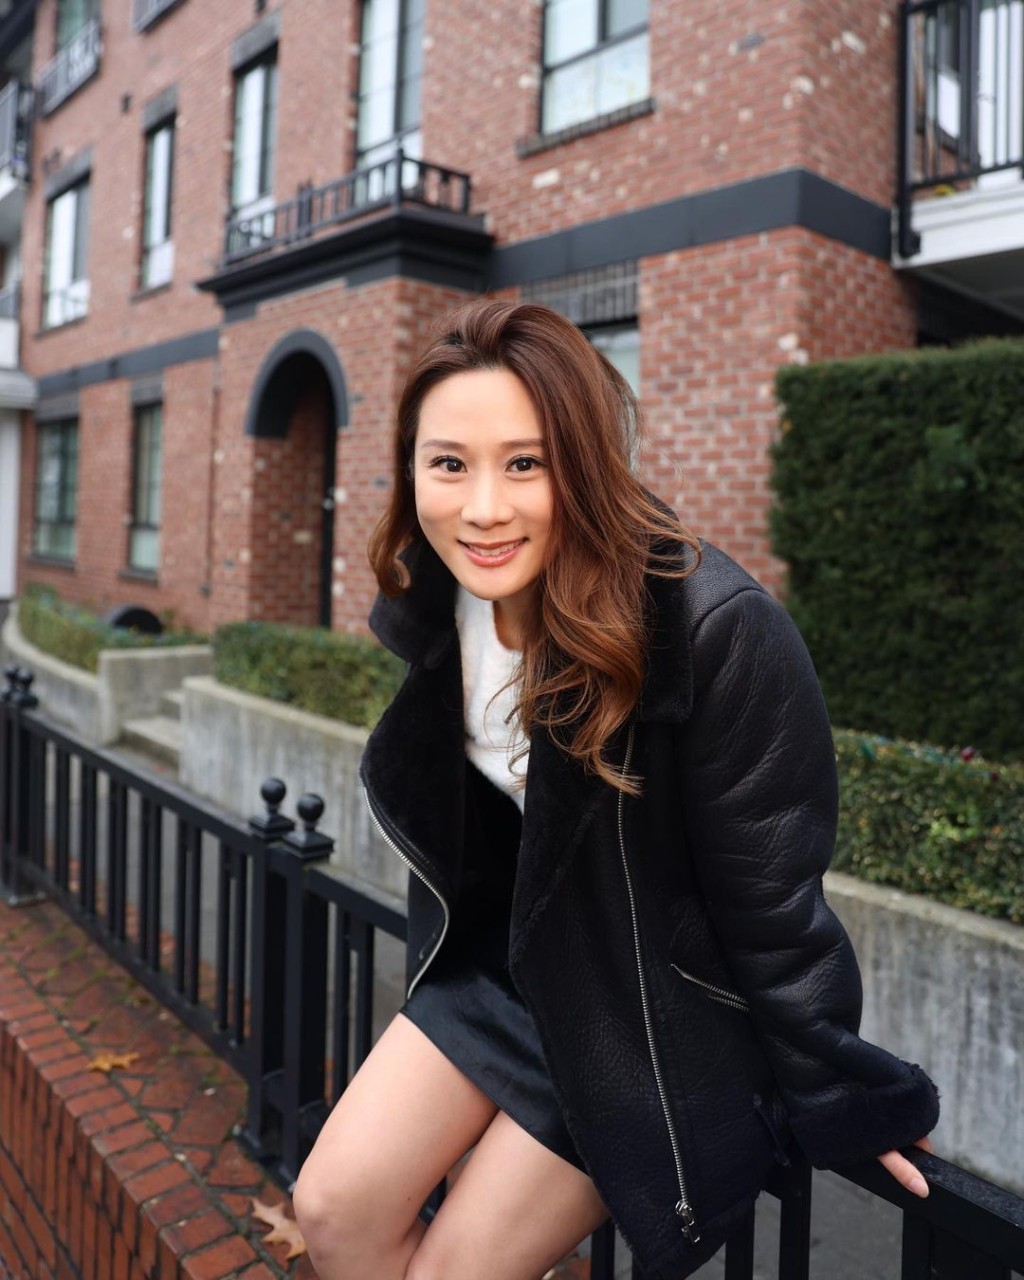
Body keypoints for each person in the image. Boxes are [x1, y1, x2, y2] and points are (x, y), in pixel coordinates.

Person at [292, 300, 939, 1280]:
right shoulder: (448, 601)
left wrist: (840, 1087)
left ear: (585, 462)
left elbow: (775, 901)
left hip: (640, 1017)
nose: (482, 508)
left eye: (525, 462)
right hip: (507, 972)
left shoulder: (713, 626)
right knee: (332, 1210)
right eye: (448, 463)